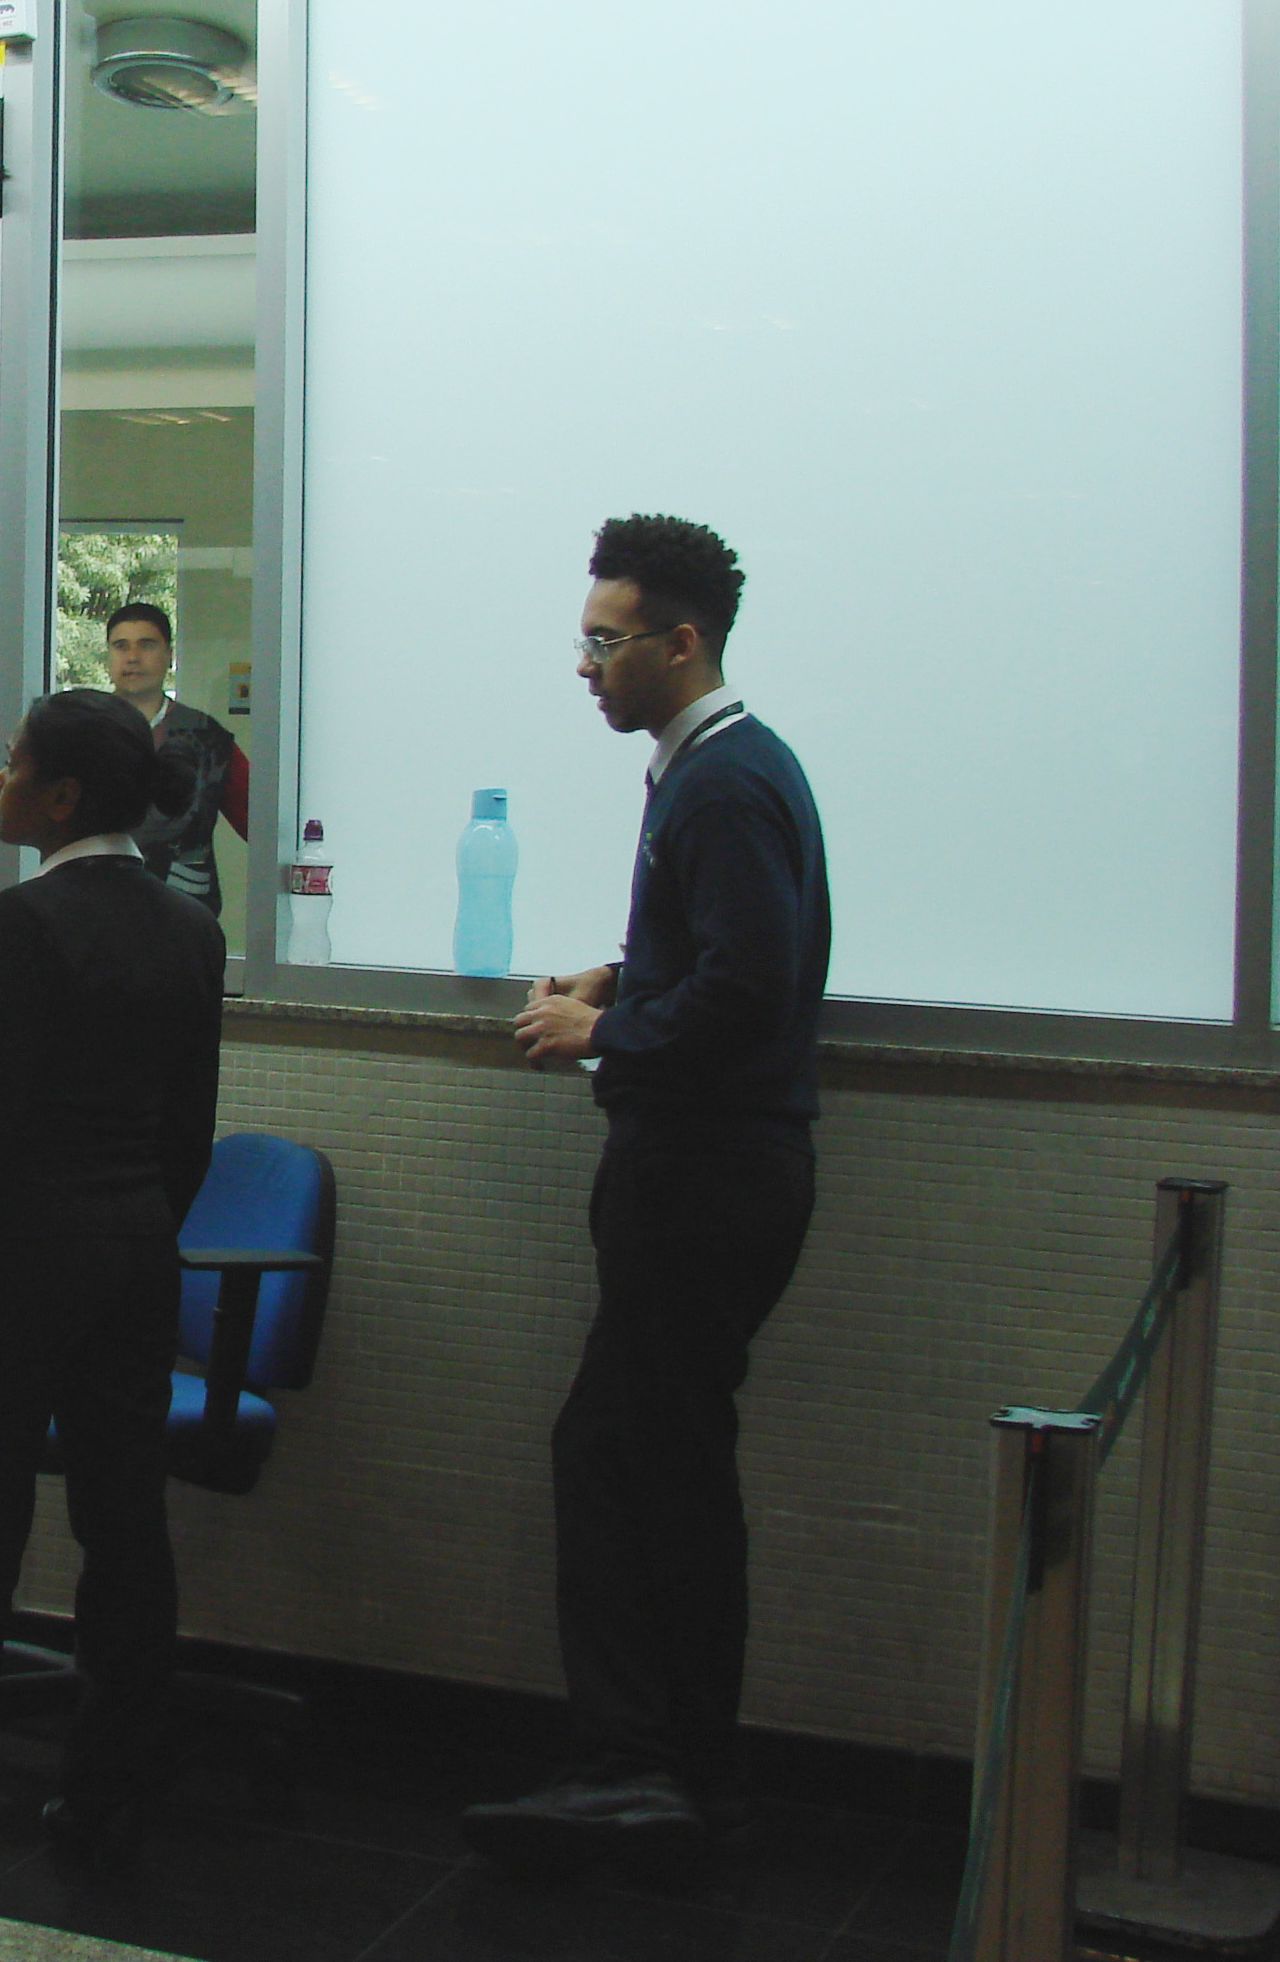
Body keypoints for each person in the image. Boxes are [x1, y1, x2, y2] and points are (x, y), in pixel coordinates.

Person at [461, 514, 829, 1881]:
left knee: (627, 1458)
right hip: (715, 1169)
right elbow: (716, 953)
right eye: (586, 639)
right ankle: (676, 1769)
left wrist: (604, 1035)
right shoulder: (714, 770)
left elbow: (751, 989)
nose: (588, 667)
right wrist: (622, 980)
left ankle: (641, 1772)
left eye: (608, 641)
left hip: (706, 1173)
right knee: (653, 1459)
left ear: (683, 643)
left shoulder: (724, 782)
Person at [0, 690, 224, 1875]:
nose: (2, 780)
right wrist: (137, 1228)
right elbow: (190, 1134)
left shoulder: (24, 925)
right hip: (135, 1259)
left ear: (61, 796)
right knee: (127, 1534)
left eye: (14, 765)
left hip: (18, 1270)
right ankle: (111, 1790)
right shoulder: (190, 933)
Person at [104, 602, 248, 911]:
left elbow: (261, 824)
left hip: (186, 911)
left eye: (147, 645)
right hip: (95, 906)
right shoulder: (78, 729)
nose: (132, 657)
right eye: (121, 646)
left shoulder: (208, 737)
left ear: (169, 656)